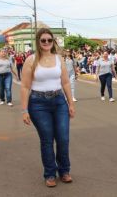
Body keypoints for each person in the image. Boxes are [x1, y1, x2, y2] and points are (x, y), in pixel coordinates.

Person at [20, 28, 75, 187]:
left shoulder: (59, 59)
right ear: (38, 42)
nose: (46, 43)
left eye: (49, 40)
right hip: (38, 104)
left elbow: (65, 82)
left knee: (63, 139)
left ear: (53, 42)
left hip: (59, 101)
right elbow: (24, 86)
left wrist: (70, 103)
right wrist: (24, 111)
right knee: (47, 140)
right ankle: (50, 173)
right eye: (43, 40)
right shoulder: (31, 60)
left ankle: (64, 171)